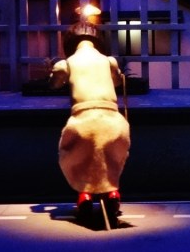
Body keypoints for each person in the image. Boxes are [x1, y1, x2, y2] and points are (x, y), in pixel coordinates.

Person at [48, 20, 130, 227]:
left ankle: (84, 195)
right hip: (112, 120)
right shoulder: (109, 61)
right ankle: (112, 192)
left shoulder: (66, 63)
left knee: (75, 156)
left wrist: (53, 69)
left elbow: (54, 84)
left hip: (82, 120)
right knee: (111, 158)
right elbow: (118, 81)